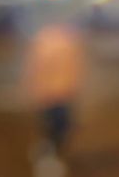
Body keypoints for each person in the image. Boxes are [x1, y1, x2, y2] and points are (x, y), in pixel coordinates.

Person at [23, 22, 86, 174]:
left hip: (62, 94)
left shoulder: (69, 41)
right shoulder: (44, 42)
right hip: (50, 95)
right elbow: (36, 69)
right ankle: (48, 156)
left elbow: (74, 67)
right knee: (54, 127)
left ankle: (49, 151)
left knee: (62, 127)